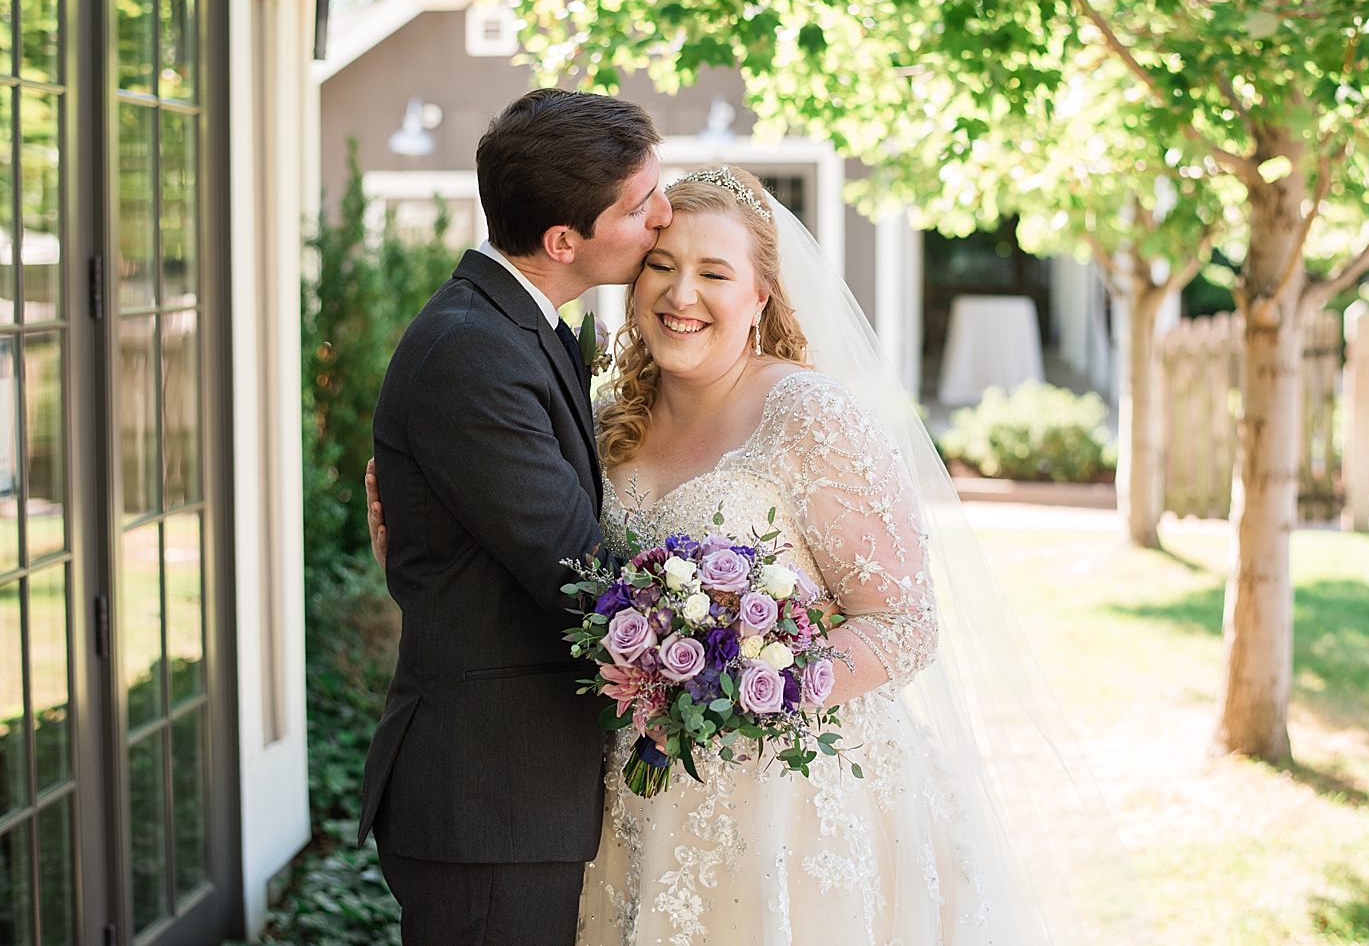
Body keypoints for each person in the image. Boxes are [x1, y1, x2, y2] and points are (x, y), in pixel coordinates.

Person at [367, 164, 1159, 946]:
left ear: (761, 296)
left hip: (795, 804)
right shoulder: (604, 419)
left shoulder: (809, 415)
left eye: (715, 272)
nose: (682, 295)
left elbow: (904, 622)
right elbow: (551, 567)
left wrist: (756, 684)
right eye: (661, 267)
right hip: (638, 800)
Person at [357, 87, 670, 946]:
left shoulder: (514, 327)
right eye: (641, 205)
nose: (664, 216)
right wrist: (738, 640)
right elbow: (579, 576)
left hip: (517, 791)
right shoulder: (473, 352)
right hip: (488, 802)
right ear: (564, 240)